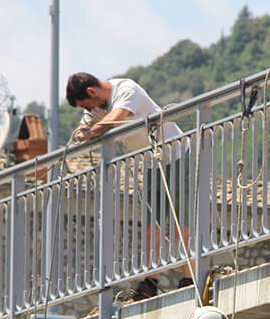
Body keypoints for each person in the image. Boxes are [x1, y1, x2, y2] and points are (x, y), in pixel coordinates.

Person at [66, 72, 192, 297]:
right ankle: (150, 281)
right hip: (153, 162)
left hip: (176, 153)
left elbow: (116, 117)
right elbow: (80, 133)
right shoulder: (98, 108)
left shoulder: (126, 89)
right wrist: (89, 128)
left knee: (180, 220)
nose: (87, 111)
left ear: (92, 92)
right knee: (152, 225)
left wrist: (95, 128)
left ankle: (189, 277)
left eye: (86, 105)